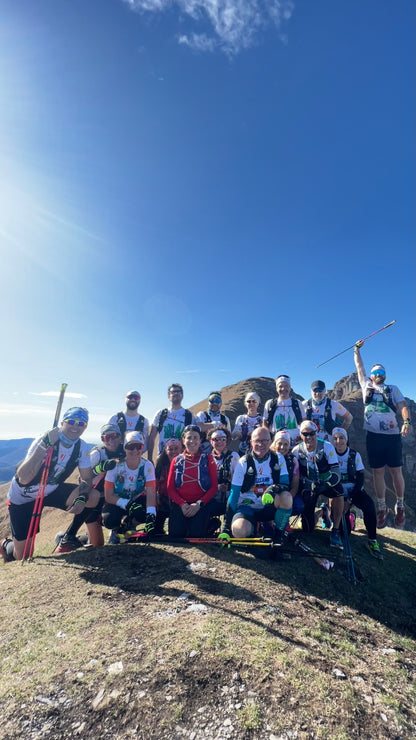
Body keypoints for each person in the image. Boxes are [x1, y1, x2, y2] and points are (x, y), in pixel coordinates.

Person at [1, 407, 97, 562]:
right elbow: (23, 478)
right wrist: (44, 446)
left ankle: (69, 537)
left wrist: (81, 498)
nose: (75, 426)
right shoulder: (44, 440)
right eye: (71, 421)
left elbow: (86, 479)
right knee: (24, 556)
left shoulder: (82, 447)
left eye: (81, 423)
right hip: (22, 497)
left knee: (93, 496)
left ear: (85, 427)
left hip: (50, 491)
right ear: (62, 423)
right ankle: (6, 545)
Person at [353, 340, 411, 528]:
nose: (379, 375)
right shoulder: (365, 385)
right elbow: (359, 367)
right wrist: (356, 350)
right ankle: (382, 508)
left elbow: (402, 406)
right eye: (376, 373)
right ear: (371, 376)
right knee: (378, 472)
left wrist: (406, 421)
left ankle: (400, 506)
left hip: (392, 435)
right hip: (373, 435)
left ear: (385, 375)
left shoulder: (393, 389)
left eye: (382, 373)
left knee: (396, 471)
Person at [55, 423, 125, 552]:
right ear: (102, 440)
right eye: (106, 438)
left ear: (120, 437)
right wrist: (100, 468)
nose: (110, 440)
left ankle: (118, 531)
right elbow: (84, 478)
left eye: (114, 436)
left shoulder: (126, 451)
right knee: (97, 545)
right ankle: (65, 539)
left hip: (113, 496)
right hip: (95, 497)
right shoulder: (97, 454)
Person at [221, 426, 291, 544]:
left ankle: (278, 534)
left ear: (270, 442)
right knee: (239, 532)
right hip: (247, 506)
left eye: (265, 441)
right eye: (257, 441)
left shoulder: (278, 458)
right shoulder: (243, 462)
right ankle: (253, 528)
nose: (261, 444)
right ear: (251, 442)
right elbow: (234, 494)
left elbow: (285, 484)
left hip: (267, 506)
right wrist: (226, 528)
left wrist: (272, 489)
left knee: (286, 497)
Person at [292, 420, 344, 549]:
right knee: (307, 529)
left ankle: (335, 530)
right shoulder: (296, 451)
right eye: (305, 434)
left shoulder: (327, 446)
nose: (308, 437)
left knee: (339, 493)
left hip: (326, 482)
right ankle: (322, 512)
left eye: (312, 433)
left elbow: (336, 472)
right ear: (301, 435)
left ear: (317, 433)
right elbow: (295, 475)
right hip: (309, 487)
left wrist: (326, 484)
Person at [332, 428, 382, 559]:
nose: (339, 441)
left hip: (355, 491)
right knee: (345, 532)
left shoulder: (354, 455)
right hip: (338, 493)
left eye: (341, 438)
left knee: (369, 506)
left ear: (346, 440)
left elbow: (360, 480)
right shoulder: (330, 455)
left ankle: (372, 540)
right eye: (335, 438)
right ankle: (348, 518)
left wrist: (349, 501)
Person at [102, 431, 156, 543]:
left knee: (145, 512)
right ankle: (116, 530)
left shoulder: (147, 465)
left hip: (137, 500)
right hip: (117, 501)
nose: (135, 450)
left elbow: (151, 493)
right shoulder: (115, 465)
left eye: (139, 446)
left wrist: (151, 516)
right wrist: (128, 504)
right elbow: (108, 496)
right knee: (109, 520)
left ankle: (130, 524)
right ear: (125, 448)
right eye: (131, 446)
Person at [167, 425, 218, 537]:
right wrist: (182, 504)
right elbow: (170, 488)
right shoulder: (176, 460)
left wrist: (198, 504)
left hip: (200, 504)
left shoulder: (208, 459)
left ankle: (210, 524)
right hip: (181, 505)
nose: (192, 441)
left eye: (195, 438)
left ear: (200, 440)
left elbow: (214, 487)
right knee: (175, 534)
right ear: (183, 440)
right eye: (189, 438)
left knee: (197, 534)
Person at [147, 384, 196, 463]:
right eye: (173, 392)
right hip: (163, 459)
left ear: (182, 395)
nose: (176, 393)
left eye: (178, 391)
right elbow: (152, 437)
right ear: (168, 396)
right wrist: (149, 458)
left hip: (183, 459)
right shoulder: (161, 414)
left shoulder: (189, 415)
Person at [206, 427, 239, 534]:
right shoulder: (206, 458)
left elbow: (238, 479)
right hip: (211, 498)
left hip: (229, 498)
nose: (219, 442)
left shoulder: (234, 456)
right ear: (211, 441)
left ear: (227, 440)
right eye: (216, 439)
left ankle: (228, 528)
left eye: (222, 439)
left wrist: (228, 486)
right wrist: (218, 487)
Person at [263, 375, 305, 446]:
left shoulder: (297, 403)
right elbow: (264, 424)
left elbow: (304, 422)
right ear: (276, 389)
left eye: (286, 386)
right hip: (276, 445)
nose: (283, 389)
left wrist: (302, 438)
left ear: (290, 388)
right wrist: (270, 437)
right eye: (280, 386)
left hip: (295, 445)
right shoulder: (270, 404)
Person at [154, 438, 183, 535]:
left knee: (175, 533)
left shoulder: (186, 463)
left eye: (176, 448)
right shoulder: (161, 464)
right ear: (165, 451)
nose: (173, 452)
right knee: (156, 531)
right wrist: (155, 498)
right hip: (163, 500)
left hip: (180, 502)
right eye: (170, 449)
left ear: (181, 450)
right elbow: (155, 483)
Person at [270, 430, 300, 517]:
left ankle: (283, 518)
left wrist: (286, 500)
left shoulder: (293, 460)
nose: (282, 447)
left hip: (286, 493)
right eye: (279, 443)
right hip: (269, 494)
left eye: (286, 444)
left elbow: (295, 486)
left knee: (299, 505)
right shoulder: (268, 457)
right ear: (275, 444)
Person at [232, 392, 263, 457]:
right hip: (243, 452)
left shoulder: (262, 420)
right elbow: (233, 435)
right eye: (249, 401)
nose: (251, 403)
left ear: (258, 403)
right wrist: (237, 434)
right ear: (245, 404)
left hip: (259, 452)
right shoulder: (241, 418)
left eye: (254, 401)